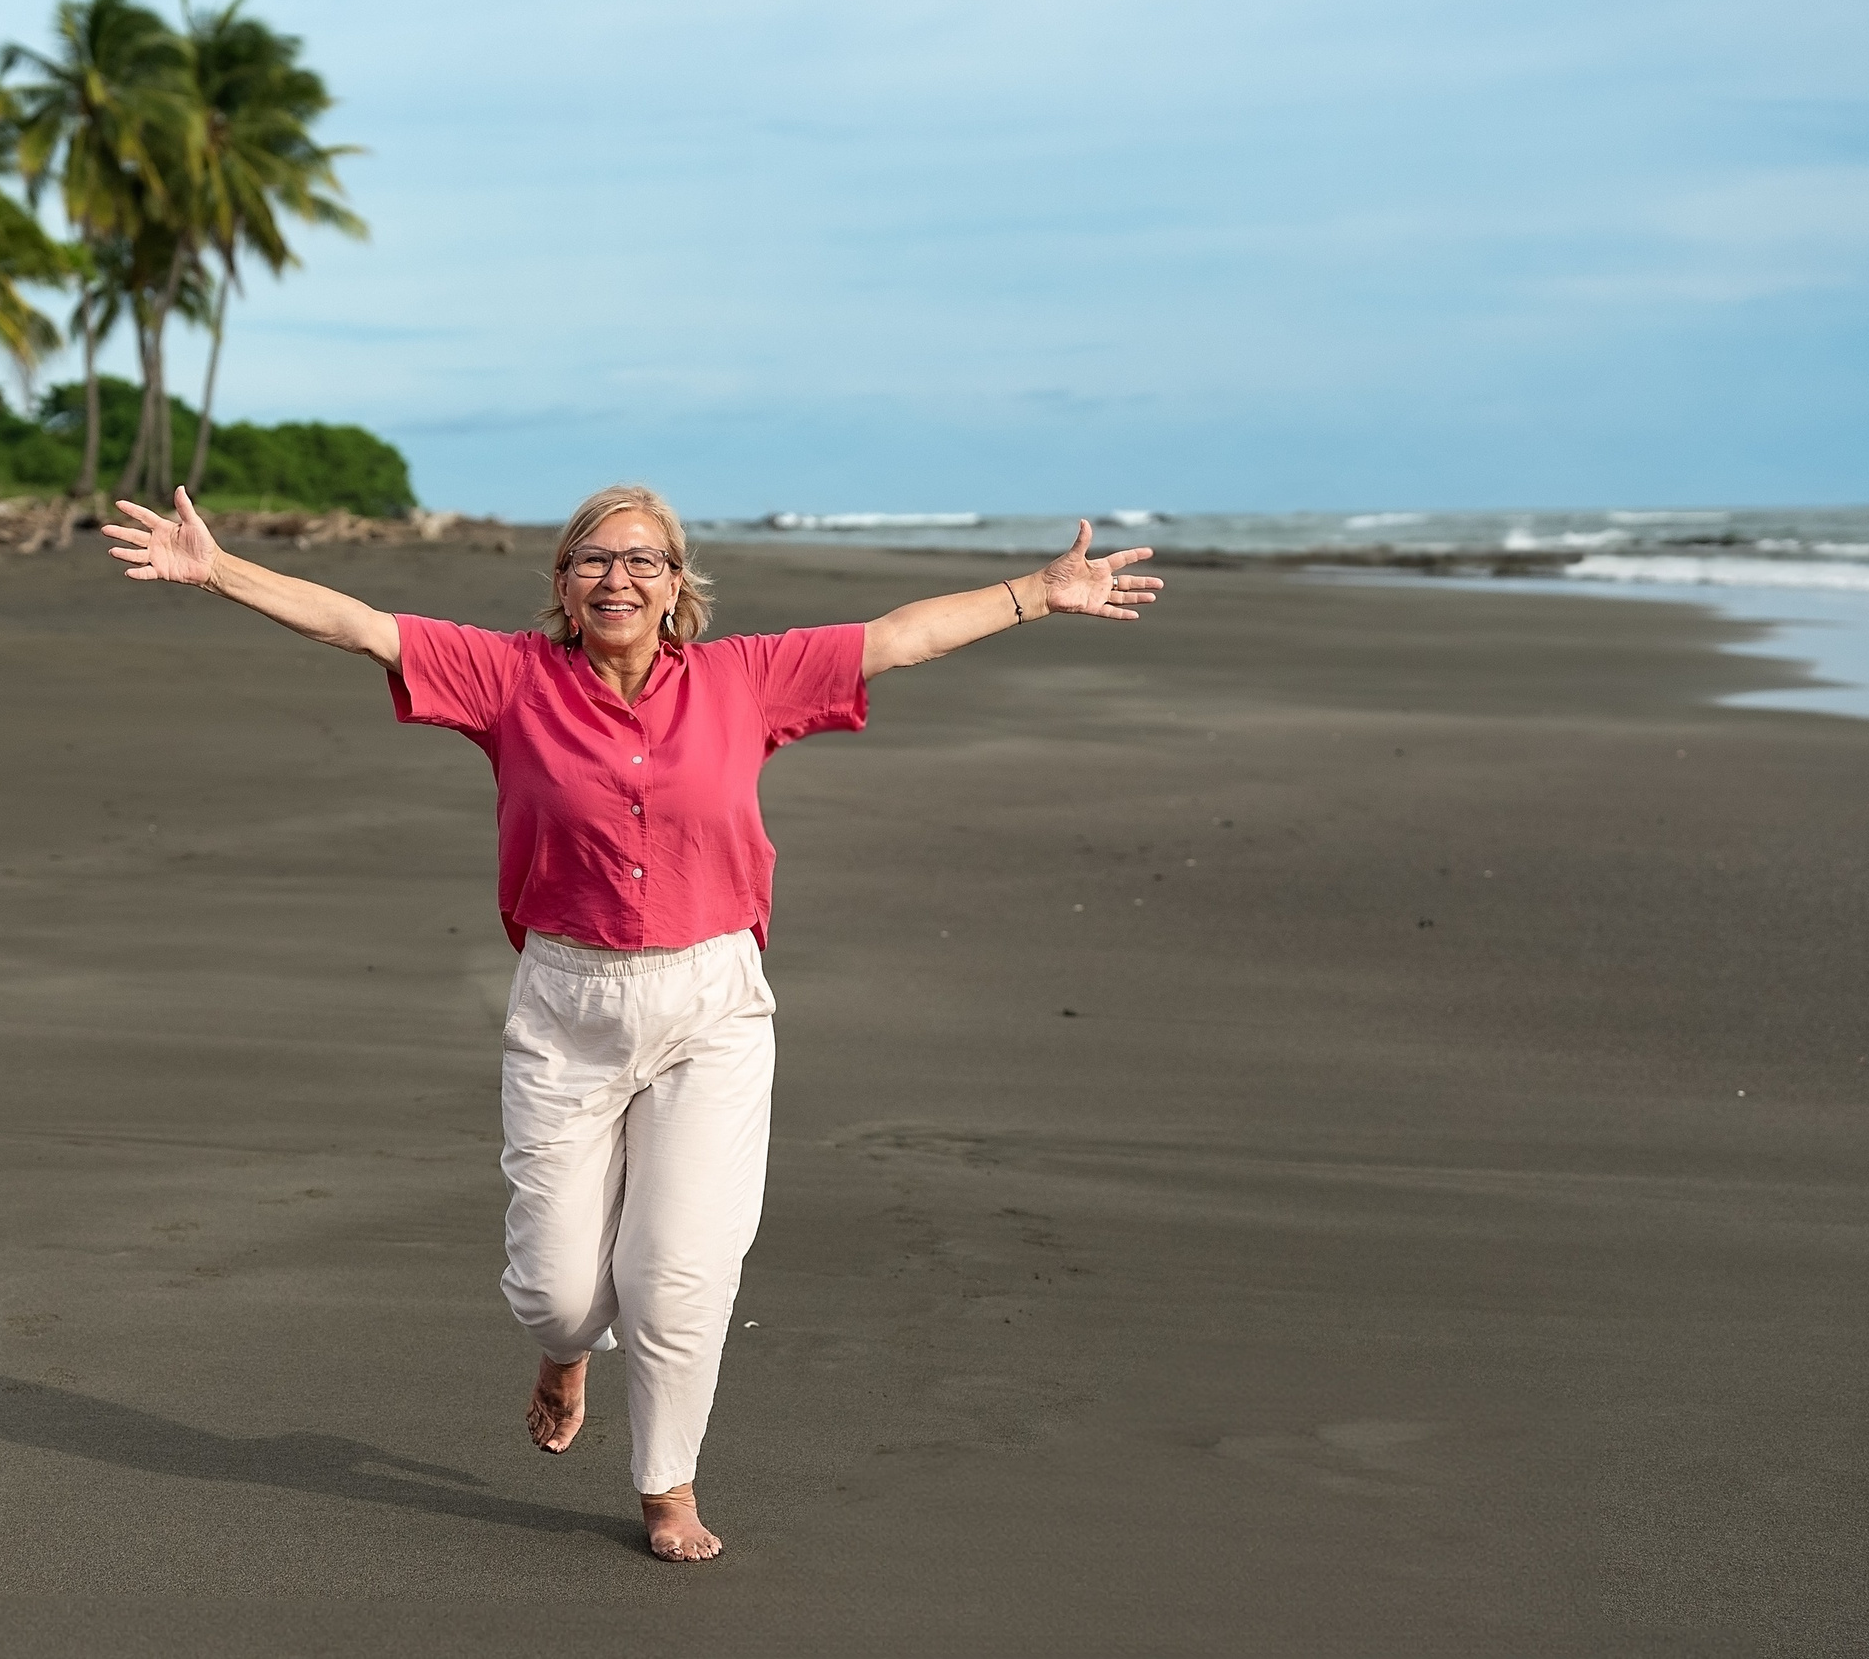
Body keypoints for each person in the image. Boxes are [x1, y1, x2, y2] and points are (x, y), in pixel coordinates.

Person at [104, 483, 1163, 1561]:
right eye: (594, 561)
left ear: (675, 586)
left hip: (712, 1003)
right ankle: (564, 1354)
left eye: (643, 561)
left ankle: (668, 1483)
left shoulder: (744, 678)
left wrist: (1040, 590)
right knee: (559, 1294)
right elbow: (358, 623)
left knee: (679, 1272)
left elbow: (897, 638)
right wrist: (217, 567)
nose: (619, 577)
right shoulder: (508, 676)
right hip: (567, 1003)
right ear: (563, 585)